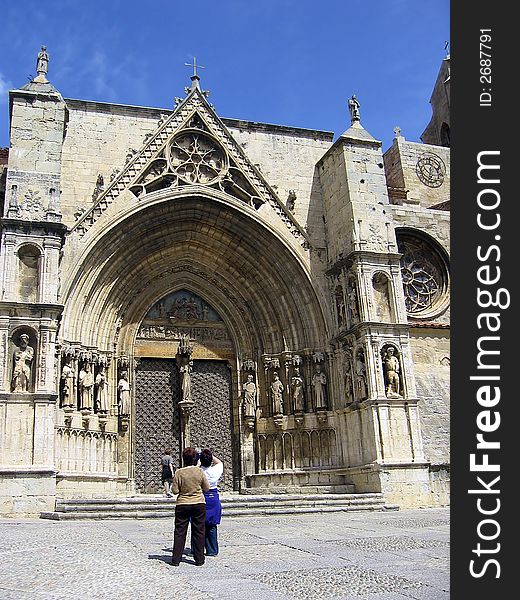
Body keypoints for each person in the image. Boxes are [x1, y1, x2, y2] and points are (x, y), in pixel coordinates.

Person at [171, 447, 209, 566]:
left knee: (180, 532)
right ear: (194, 458)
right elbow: (206, 488)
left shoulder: (179, 472)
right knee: (199, 531)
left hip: (183, 504)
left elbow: (175, 491)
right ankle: (199, 559)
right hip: (198, 503)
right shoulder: (199, 471)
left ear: (183, 459)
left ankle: (176, 559)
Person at [199, 449, 223, 556]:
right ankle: (212, 549)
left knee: (199, 524)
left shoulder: (198, 471)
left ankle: (197, 548)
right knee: (212, 525)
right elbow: (220, 462)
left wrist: (200, 460)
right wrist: (210, 456)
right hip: (213, 497)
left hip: (201, 496)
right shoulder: (215, 470)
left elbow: (194, 467)